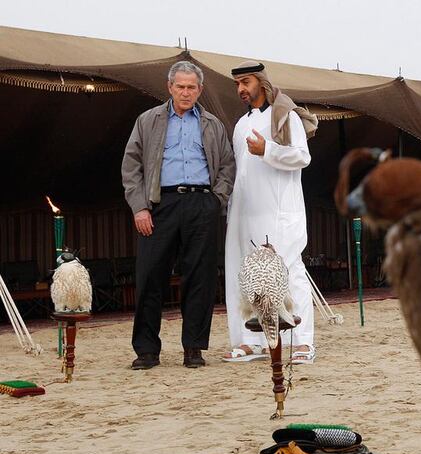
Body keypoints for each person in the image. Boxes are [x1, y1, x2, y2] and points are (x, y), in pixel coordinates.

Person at [121, 61, 236, 370]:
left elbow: (227, 165)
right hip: (160, 205)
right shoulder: (148, 120)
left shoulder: (212, 124)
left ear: (200, 90)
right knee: (150, 276)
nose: (186, 92)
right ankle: (147, 350)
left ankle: (194, 349)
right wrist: (139, 207)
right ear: (169, 87)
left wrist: (217, 199)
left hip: (202, 204)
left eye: (192, 87)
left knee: (201, 278)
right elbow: (131, 167)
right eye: (180, 86)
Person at [223, 61, 319, 364]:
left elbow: (302, 156)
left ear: (261, 83)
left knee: (289, 272)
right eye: (238, 84)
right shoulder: (240, 126)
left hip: (280, 212)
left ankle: (302, 342)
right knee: (246, 275)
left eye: (246, 82)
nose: (241, 89)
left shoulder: (285, 116)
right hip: (245, 212)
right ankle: (251, 341)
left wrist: (267, 149)